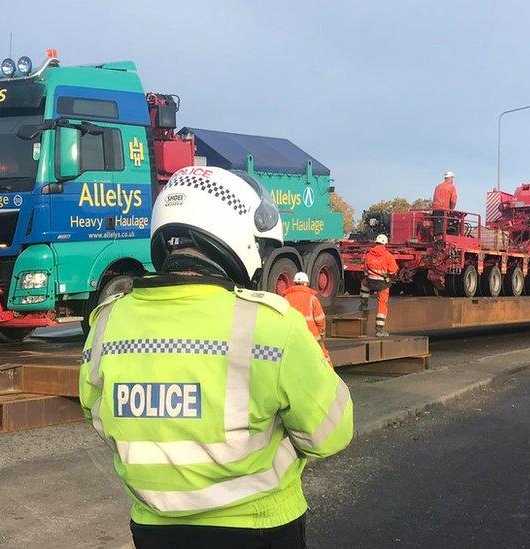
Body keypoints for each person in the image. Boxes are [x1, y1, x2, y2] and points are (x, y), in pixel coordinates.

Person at [79, 166, 353, 548]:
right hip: (258, 526)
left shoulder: (108, 322)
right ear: (236, 233)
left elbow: (100, 416)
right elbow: (331, 434)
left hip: (153, 530)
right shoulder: (271, 325)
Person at [282, 271, 331, 365]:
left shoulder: (286, 298)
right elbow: (320, 319)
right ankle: (329, 374)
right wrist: (321, 333)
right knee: (322, 355)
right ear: (306, 283)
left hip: (292, 335)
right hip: (312, 336)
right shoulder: (312, 298)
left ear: (294, 283)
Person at [359, 234, 399, 337]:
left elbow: (365, 269)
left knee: (364, 284)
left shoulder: (369, 255)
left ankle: (364, 304)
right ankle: (379, 330)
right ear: (385, 243)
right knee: (382, 305)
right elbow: (394, 270)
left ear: (376, 242)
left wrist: (369, 277)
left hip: (371, 281)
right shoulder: (388, 256)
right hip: (383, 284)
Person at [431, 171, 458, 236]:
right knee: (453, 224)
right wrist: (451, 209)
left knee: (438, 229)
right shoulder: (451, 187)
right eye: (452, 178)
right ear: (451, 178)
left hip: (435, 211)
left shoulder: (438, 187)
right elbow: (453, 201)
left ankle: (437, 238)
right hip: (444, 211)